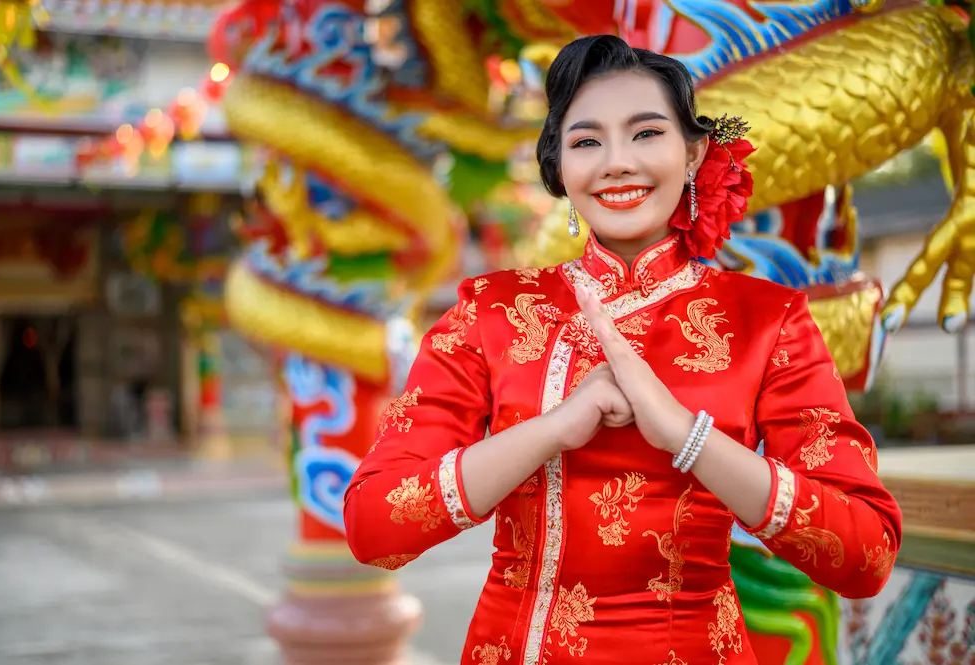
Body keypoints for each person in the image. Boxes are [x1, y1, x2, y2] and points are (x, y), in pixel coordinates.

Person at [343, 35, 902, 665]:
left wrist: (687, 437)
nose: (617, 163)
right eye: (586, 142)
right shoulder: (490, 313)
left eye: (646, 134)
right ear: (559, 168)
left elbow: (866, 555)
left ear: (693, 153)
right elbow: (373, 526)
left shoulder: (767, 320)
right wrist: (553, 429)